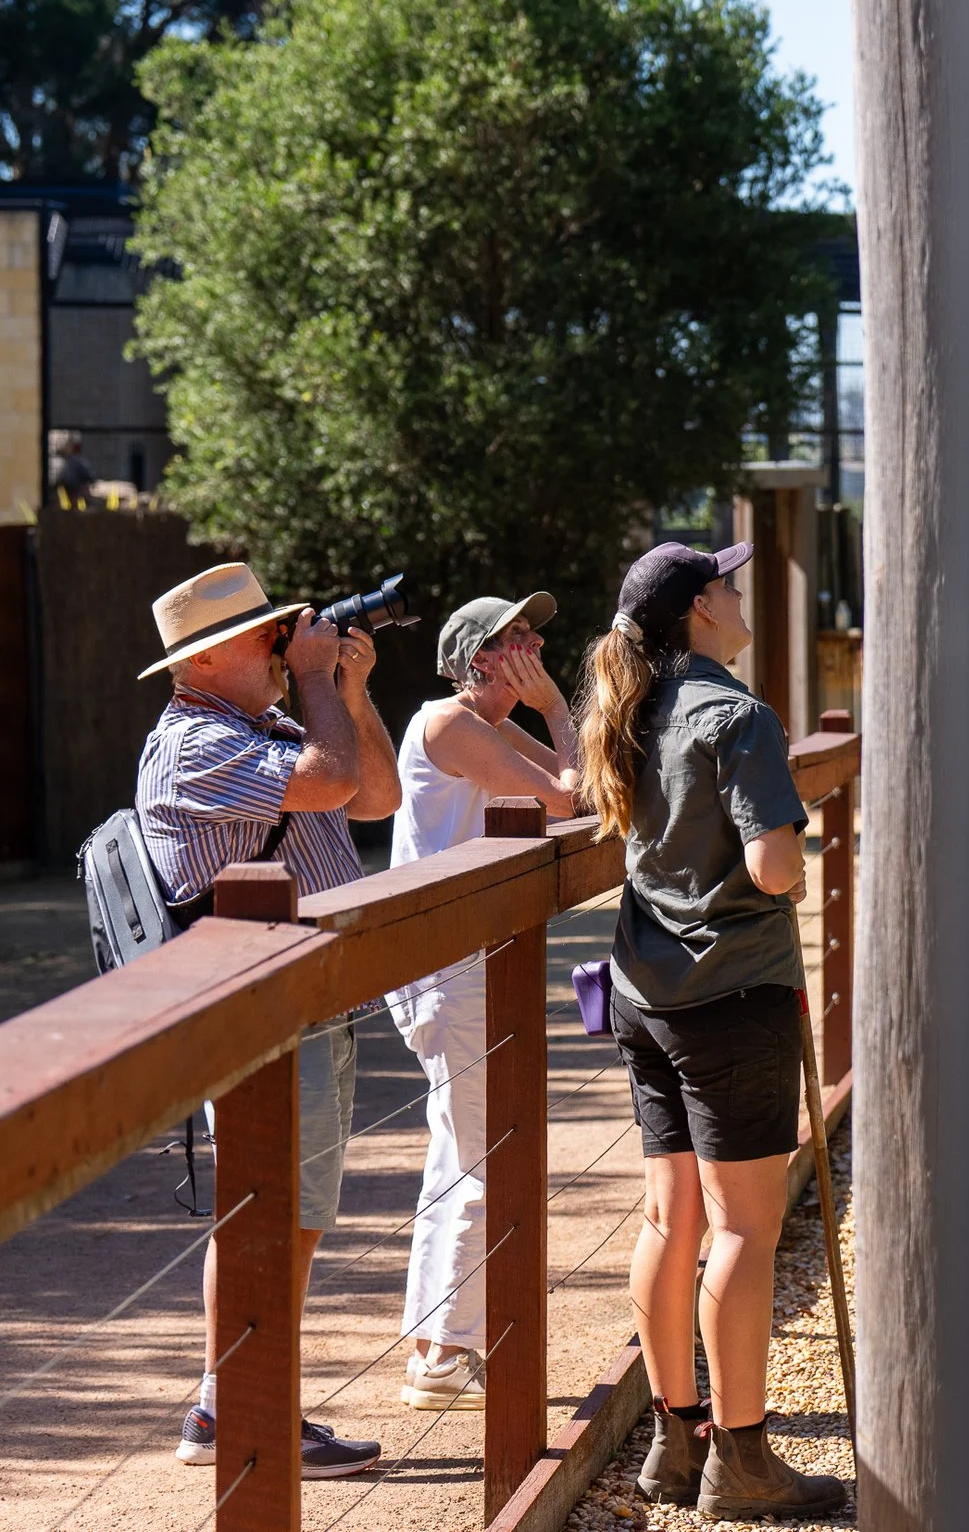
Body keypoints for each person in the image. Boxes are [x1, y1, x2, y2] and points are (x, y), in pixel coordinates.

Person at [575, 541, 846, 1520]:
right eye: (729, 587)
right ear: (700, 607)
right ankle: (745, 1459)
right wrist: (795, 856)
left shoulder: (626, 707)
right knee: (741, 1225)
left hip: (646, 994)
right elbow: (773, 867)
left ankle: (672, 1444)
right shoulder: (737, 714)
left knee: (667, 1217)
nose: (739, 600)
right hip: (735, 993)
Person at [135, 562, 400, 1477]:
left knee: (288, 1217)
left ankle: (231, 1403)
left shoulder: (253, 725)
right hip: (264, 1015)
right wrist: (322, 682)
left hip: (304, 1007)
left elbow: (374, 796)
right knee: (270, 1218)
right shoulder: (195, 744)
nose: (287, 645)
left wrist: (350, 690)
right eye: (271, 635)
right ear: (208, 659)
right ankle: (240, 1410)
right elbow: (330, 782)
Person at [386, 592, 579, 1410]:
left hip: (457, 961)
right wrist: (561, 706)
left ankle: (436, 1344)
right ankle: (444, 1354)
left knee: (454, 1154)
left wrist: (545, 718)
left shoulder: (486, 726)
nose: (534, 643)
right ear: (477, 662)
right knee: (482, 1153)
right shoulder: (450, 724)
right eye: (515, 637)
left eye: (534, 632)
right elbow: (566, 796)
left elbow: (586, 788)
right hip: (450, 966)